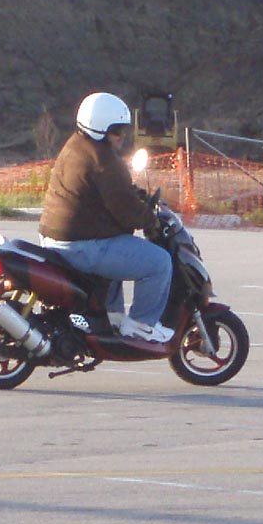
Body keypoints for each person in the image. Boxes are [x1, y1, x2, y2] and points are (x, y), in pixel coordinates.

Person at [38, 92, 175, 343]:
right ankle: (141, 325)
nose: (122, 136)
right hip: (82, 246)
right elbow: (126, 210)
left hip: (57, 239)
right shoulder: (103, 159)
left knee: (121, 245)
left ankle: (112, 318)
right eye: (116, 131)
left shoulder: (75, 145)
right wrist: (150, 220)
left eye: (123, 130)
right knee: (160, 262)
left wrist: (136, 196)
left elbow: (112, 193)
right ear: (99, 129)